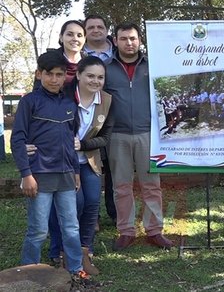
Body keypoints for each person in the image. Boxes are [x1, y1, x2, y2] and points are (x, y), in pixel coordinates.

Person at [10, 51, 94, 286]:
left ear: (65, 77)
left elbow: (71, 139)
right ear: (39, 74)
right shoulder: (29, 102)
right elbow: (17, 139)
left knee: (71, 227)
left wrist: (76, 171)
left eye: (59, 75)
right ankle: (28, 271)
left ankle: (76, 269)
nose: (54, 79)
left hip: (67, 175)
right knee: (37, 229)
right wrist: (26, 174)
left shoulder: (69, 104)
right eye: (49, 74)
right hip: (39, 175)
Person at [104, 22, 173, 251]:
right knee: (121, 186)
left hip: (148, 134)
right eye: (124, 38)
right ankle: (126, 231)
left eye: (133, 38)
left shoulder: (153, 66)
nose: (129, 43)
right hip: (117, 135)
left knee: (152, 185)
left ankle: (154, 231)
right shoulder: (106, 68)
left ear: (140, 41)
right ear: (115, 41)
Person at [46, 56, 113, 276]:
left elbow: (105, 137)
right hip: (64, 162)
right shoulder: (63, 97)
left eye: (100, 77)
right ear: (78, 75)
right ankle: (64, 251)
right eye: (90, 76)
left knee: (93, 203)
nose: (95, 81)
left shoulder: (107, 100)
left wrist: (83, 144)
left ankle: (86, 251)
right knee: (76, 204)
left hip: (89, 160)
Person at [83, 14, 117, 226]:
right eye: (91, 27)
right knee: (90, 164)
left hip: (114, 115)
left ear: (107, 29)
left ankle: (115, 213)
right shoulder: (76, 53)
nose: (96, 30)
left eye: (100, 26)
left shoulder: (119, 53)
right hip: (85, 116)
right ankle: (91, 216)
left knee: (114, 169)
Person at [33, 20, 86, 90]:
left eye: (79, 35)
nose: (75, 39)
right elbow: (37, 91)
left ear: (84, 39)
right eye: (70, 34)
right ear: (61, 37)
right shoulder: (49, 59)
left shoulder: (89, 63)